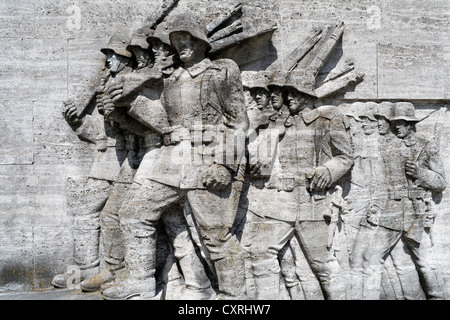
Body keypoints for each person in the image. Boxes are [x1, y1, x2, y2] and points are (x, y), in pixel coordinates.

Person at [101, 12, 249, 300]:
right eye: (177, 40)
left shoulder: (221, 70)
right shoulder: (171, 78)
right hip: (171, 156)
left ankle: (234, 297)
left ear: (201, 41)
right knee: (134, 213)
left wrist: (225, 165)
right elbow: (159, 122)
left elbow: (239, 122)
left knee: (215, 235)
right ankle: (140, 281)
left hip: (208, 155)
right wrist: (122, 107)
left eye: (186, 38)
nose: (181, 44)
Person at [241, 70, 354, 300]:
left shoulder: (327, 119)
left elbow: (345, 157)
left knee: (322, 266)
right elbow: (266, 159)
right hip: (280, 200)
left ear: (306, 94)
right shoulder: (282, 124)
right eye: (287, 93)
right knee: (260, 253)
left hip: (312, 200)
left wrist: (327, 170)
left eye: (294, 93)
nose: (288, 97)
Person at [53, 35, 134, 288]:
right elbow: (99, 132)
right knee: (85, 212)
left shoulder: (128, 83)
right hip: (105, 160)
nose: (108, 59)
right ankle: (86, 268)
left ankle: (112, 271)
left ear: (125, 58)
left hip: (126, 160)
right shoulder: (107, 82)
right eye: (108, 54)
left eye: (114, 54)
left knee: (111, 217)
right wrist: (77, 121)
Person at [360, 102, 447, 300]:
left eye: (402, 122)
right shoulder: (386, 145)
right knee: (371, 258)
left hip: (415, 212)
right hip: (391, 212)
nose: (397, 126)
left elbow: (441, 182)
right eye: (395, 123)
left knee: (425, 263)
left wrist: (421, 173)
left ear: (411, 124)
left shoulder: (426, 145)